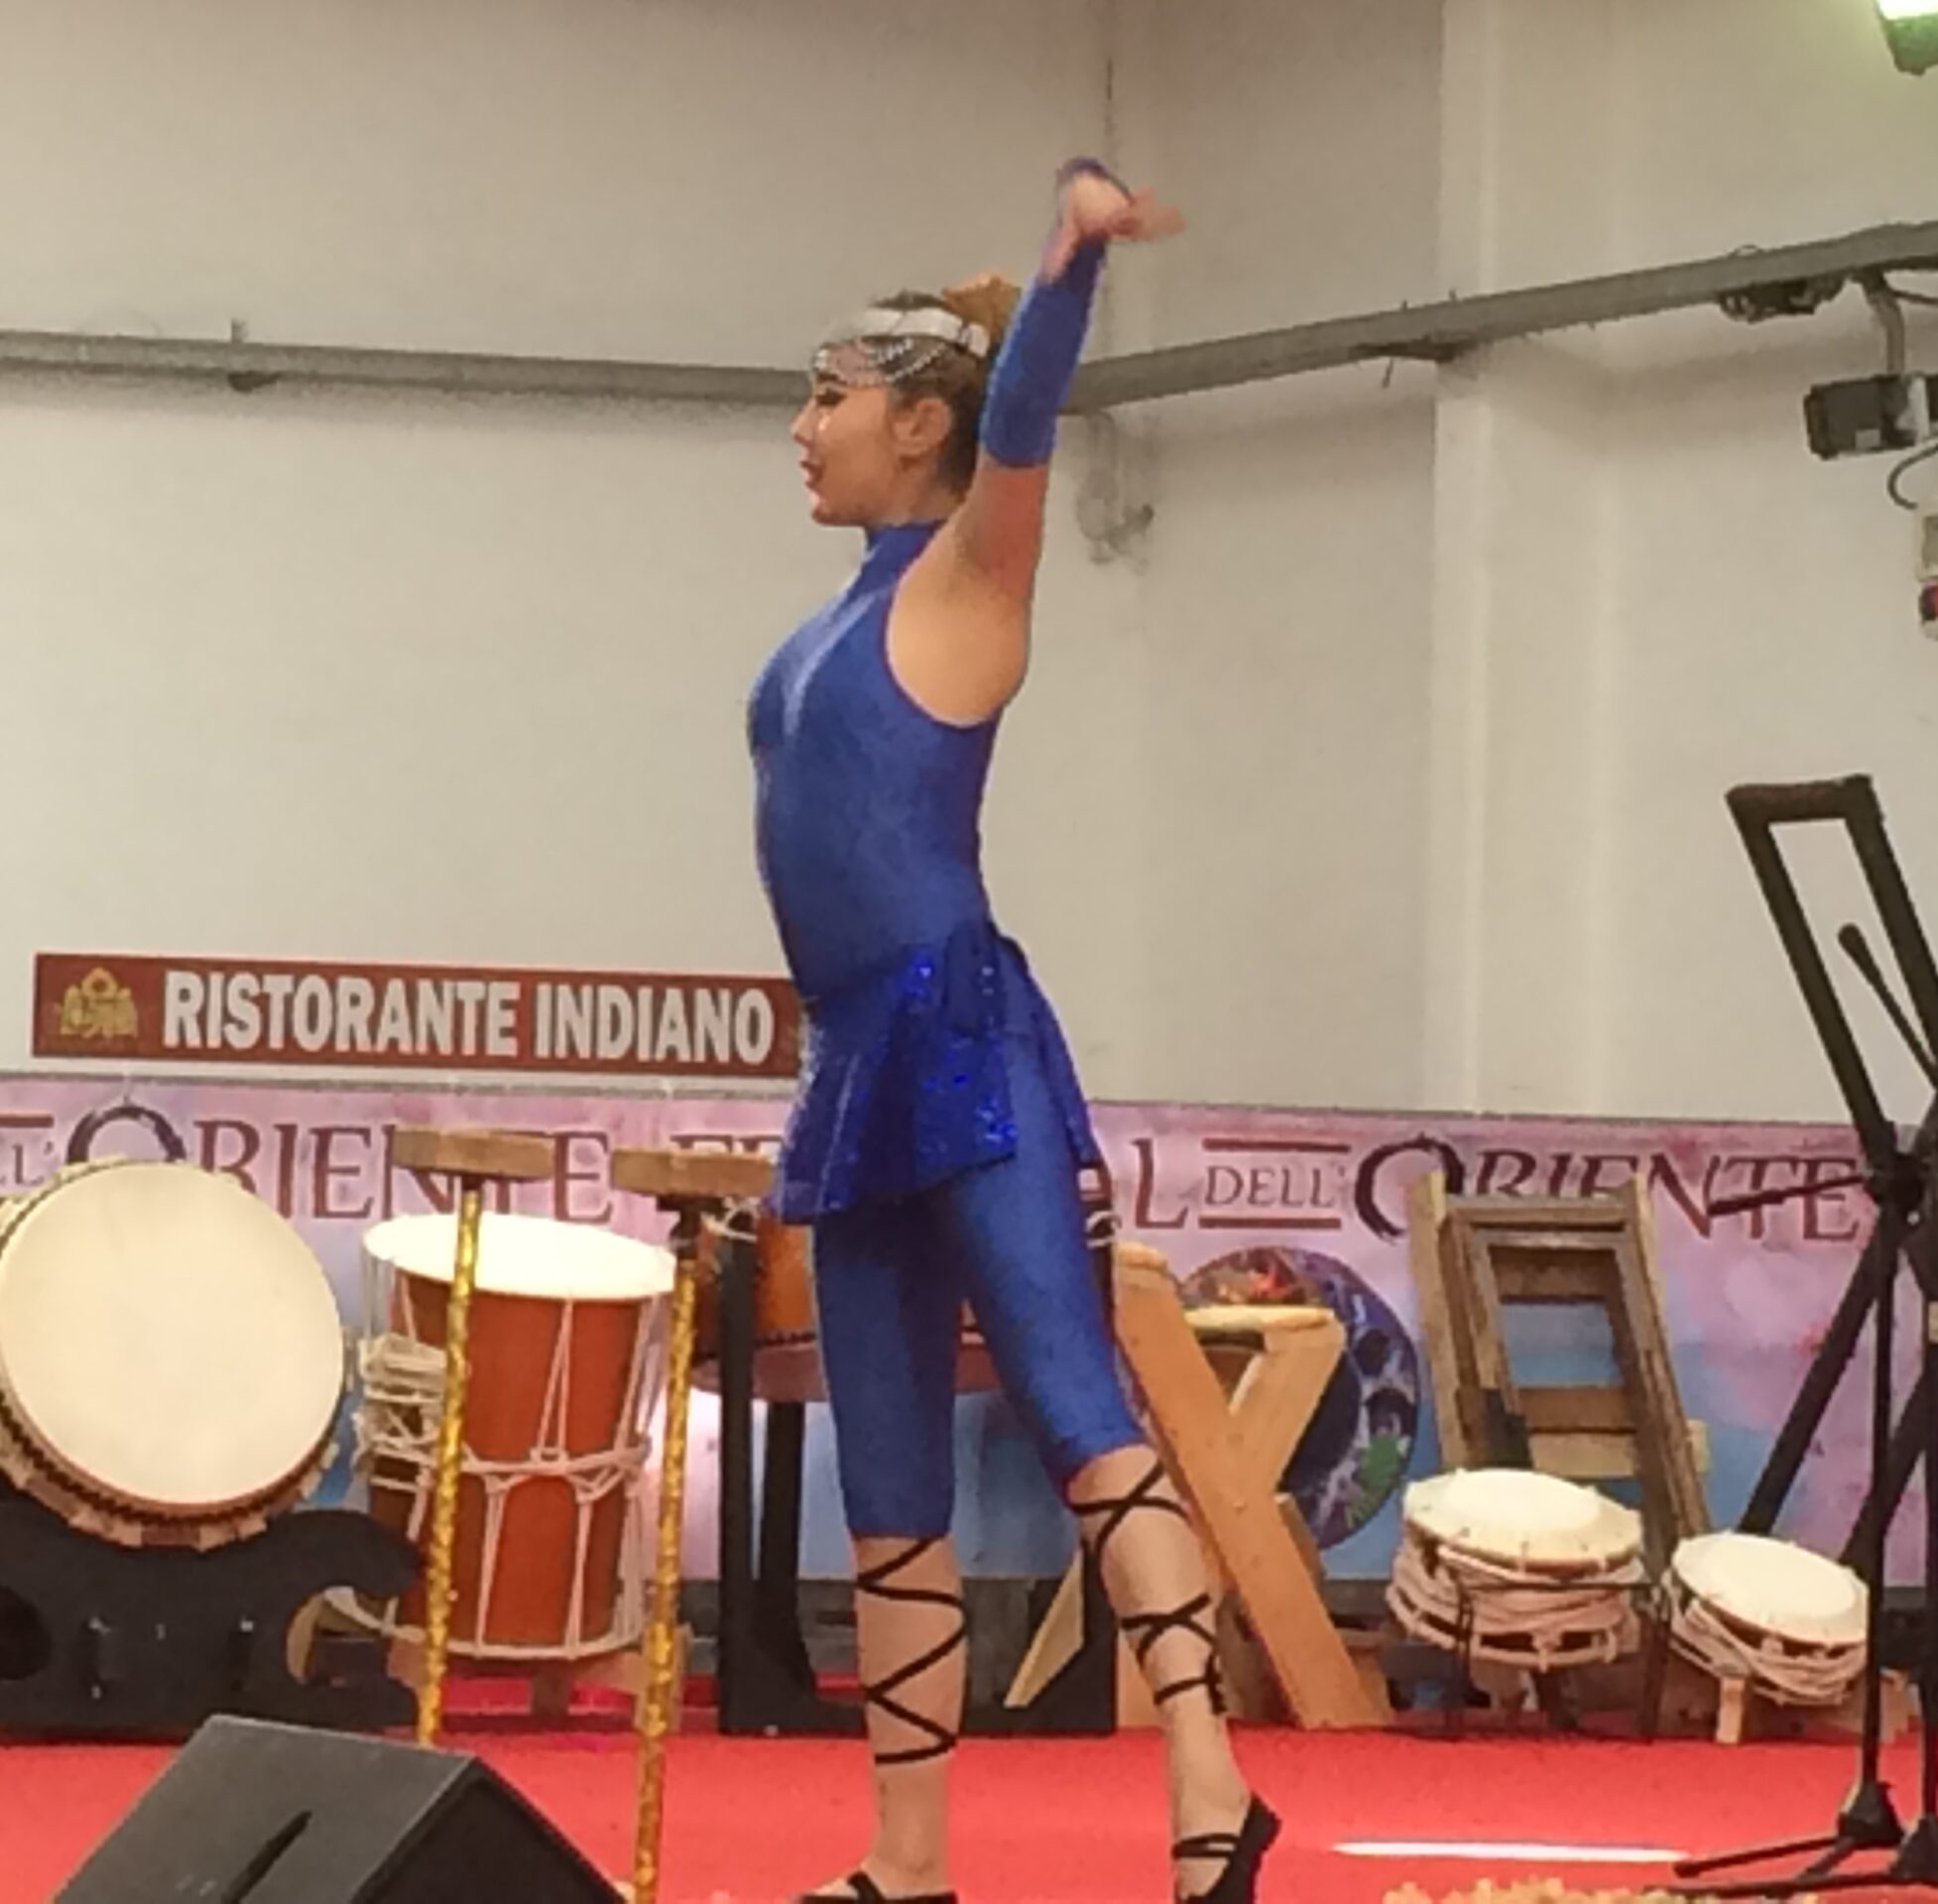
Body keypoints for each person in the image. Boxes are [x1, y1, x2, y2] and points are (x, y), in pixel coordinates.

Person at [747, 158, 1278, 1904]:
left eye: (827, 399)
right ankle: (906, 1859)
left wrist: (1072, 261)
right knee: (887, 1470)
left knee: (1070, 1398)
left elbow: (1029, 417)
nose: (800, 430)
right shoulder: (835, 624)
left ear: (918, 424)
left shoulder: (971, 581)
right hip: (855, 1059)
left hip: (960, 1038)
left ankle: (1211, 1783)